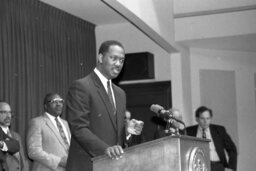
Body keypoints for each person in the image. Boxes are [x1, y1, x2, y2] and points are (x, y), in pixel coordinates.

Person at [66, 40, 143, 171]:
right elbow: (79, 128)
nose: (118, 64)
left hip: (113, 166)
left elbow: (113, 133)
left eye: (122, 60)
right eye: (113, 58)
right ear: (101, 58)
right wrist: (105, 150)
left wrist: (127, 131)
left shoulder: (120, 93)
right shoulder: (82, 86)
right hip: (87, 166)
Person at [27, 93, 71, 171]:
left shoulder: (65, 124)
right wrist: (59, 161)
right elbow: (33, 151)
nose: (58, 104)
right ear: (46, 106)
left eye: (60, 101)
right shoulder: (37, 122)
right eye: (54, 101)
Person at [186, 106, 237, 171]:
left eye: (208, 118)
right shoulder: (189, 131)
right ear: (197, 119)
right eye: (202, 118)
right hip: (198, 167)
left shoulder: (219, 130)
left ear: (211, 118)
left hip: (218, 166)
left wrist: (231, 168)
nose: (205, 121)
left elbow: (232, 149)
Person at [0, 102, 27, 171]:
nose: (8, 115)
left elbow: (22, 160)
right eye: (4, 112)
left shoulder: (16, 135)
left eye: (10, 112)